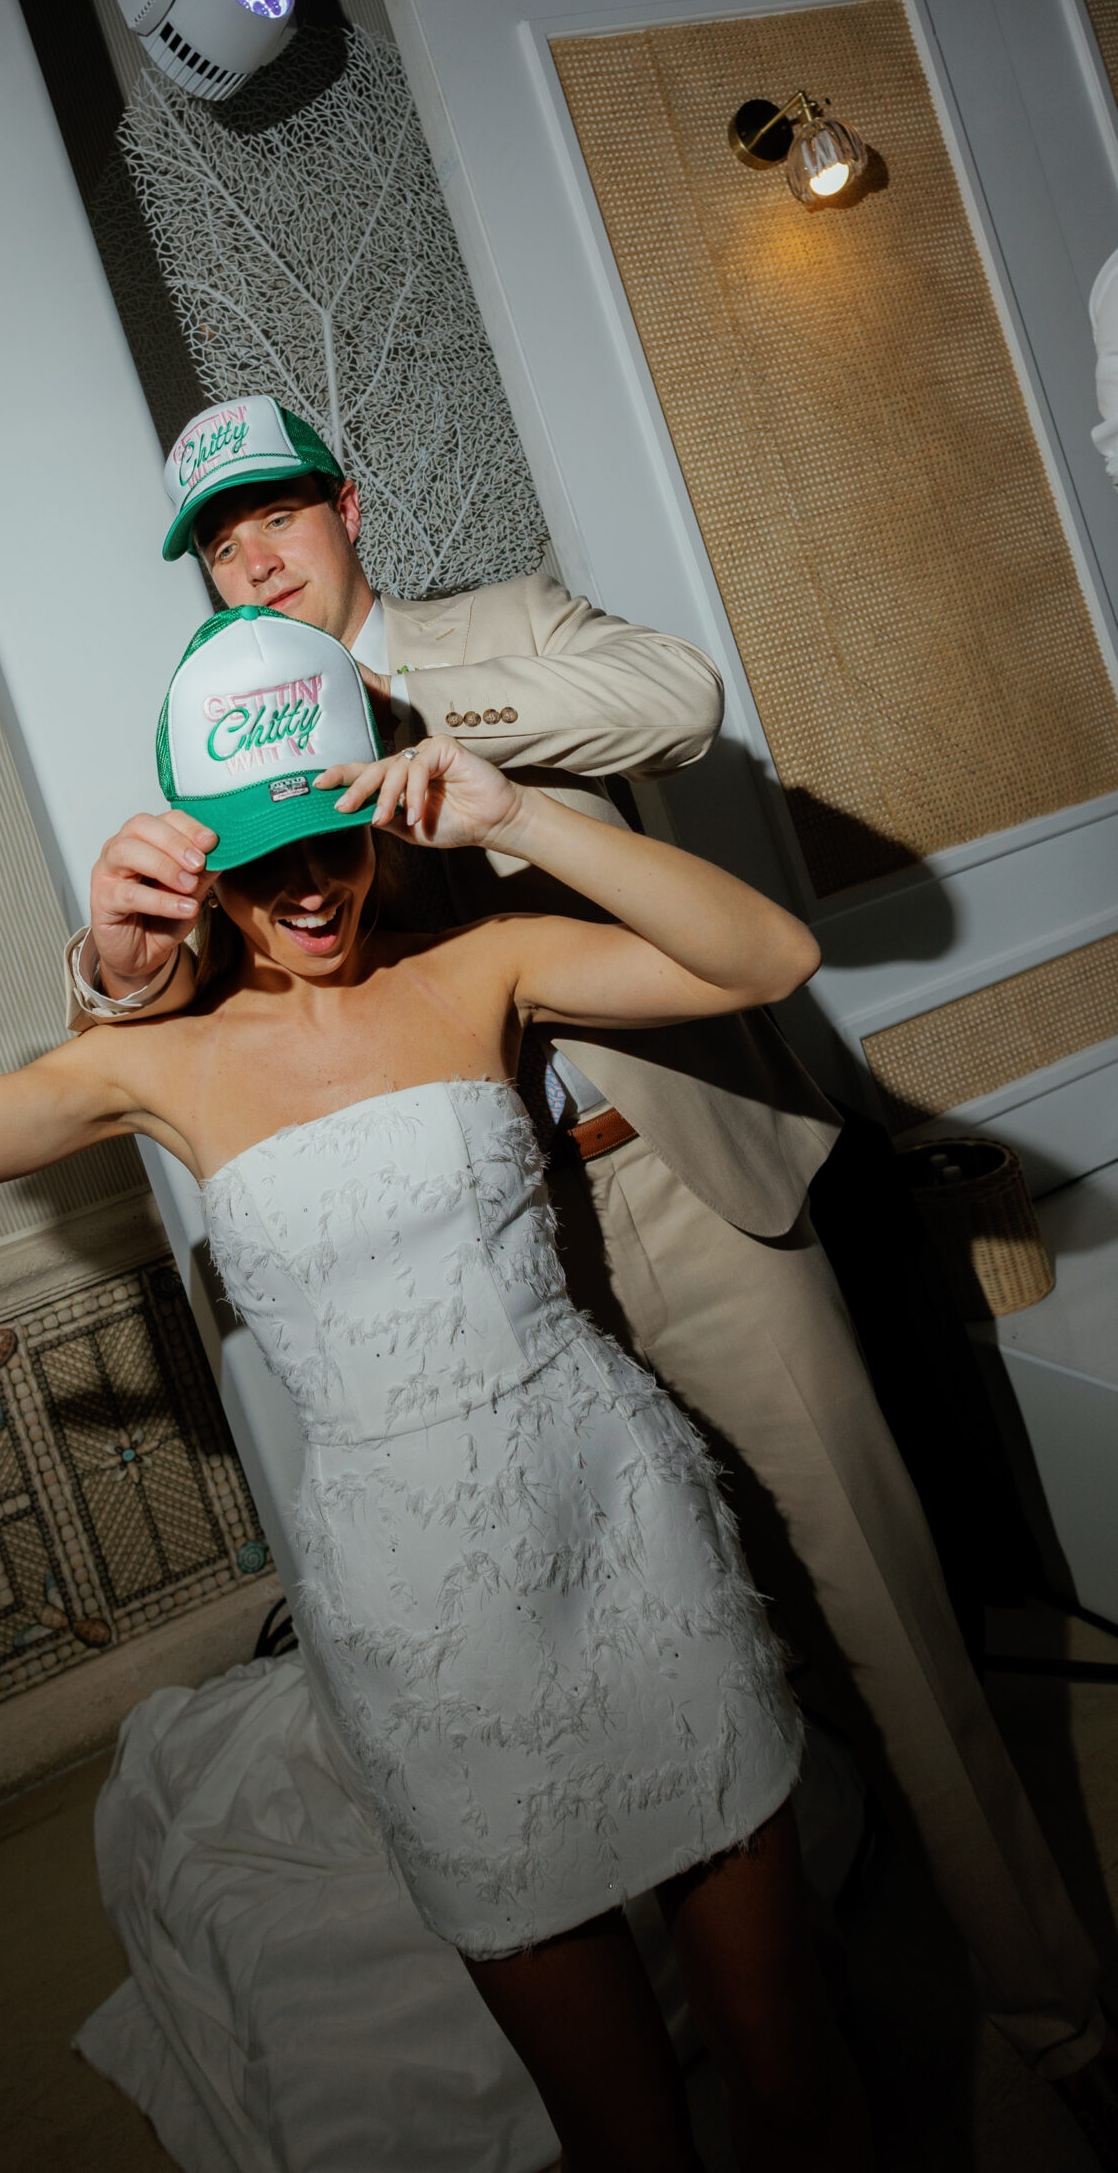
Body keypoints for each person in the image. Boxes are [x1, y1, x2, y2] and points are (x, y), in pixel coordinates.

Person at [0, 602, 870, 2171]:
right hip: (421, 1617)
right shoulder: (161, 1064)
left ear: (373, 807)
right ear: (200, 856)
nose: (300, 889)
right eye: (254, 854)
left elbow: (772, 954)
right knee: (621, 2133)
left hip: (628, 1532)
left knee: (792, 2076)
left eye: (324, 836)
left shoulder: (482, 964)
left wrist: (515, 808)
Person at [68, 393, 1118, 2144]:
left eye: (274, 520)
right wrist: (104, 967)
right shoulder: (240, 730)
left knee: (875, 1603)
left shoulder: (499, 632)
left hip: (674, 1185)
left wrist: (420, 724)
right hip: (487, 1269)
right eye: (219, 548)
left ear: (345, 506)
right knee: (684, 1654)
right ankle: (807, 2008)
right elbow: (156, 961)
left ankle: (1058, 2012)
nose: (252, 564)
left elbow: (681, 705)